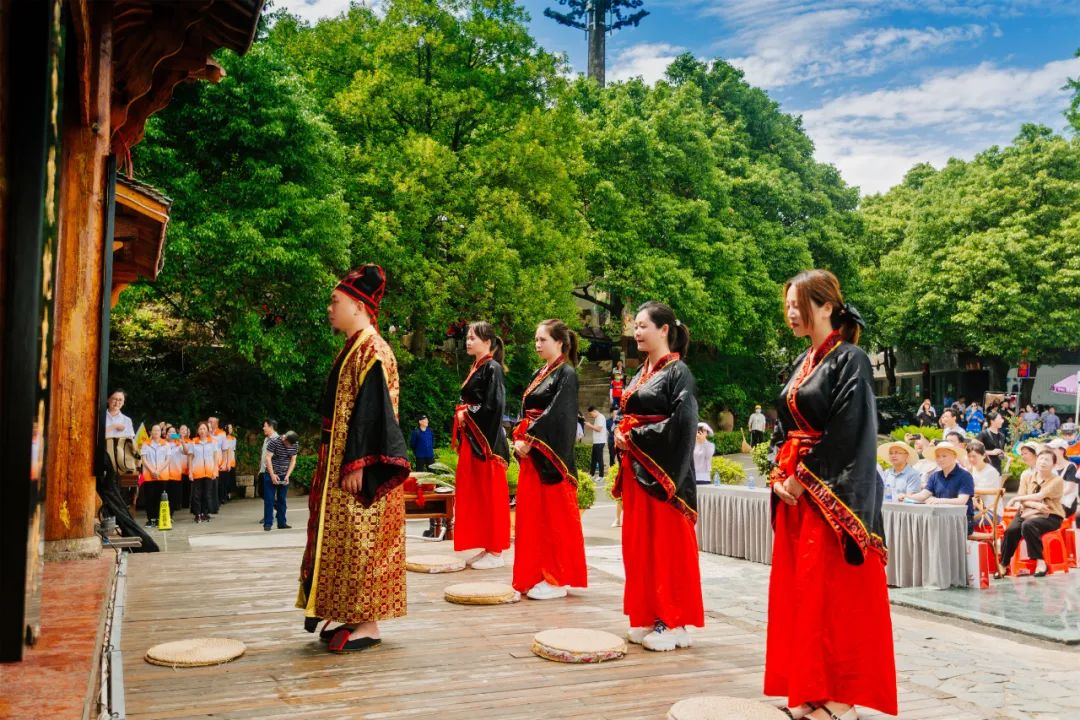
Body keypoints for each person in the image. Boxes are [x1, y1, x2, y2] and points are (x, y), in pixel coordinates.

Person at [766, 269, 895, 720]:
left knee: (834, 598)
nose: (790, 312)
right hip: (798, 493)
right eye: (786, 304)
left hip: (830, 498)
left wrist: (800, 479)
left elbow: (848, 432)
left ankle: (841, 699)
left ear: (825, 306)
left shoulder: (850, 358)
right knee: (805, 596)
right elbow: (787, 430)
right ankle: (809, 689)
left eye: (797, 302)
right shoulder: (806, 361)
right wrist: (778, 474)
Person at [297, 264, 411, 653]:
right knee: (344, 541)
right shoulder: (355, 347)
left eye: (335, 302)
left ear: (359, 306)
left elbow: (373, 410)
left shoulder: (373, 349)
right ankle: (351, 613)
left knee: (363, 541)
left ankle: (369, 623)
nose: (330, 308)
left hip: (359, 466)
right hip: (341, 461)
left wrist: (359, 462)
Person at [612, 301, 703, 653]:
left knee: (667, 546)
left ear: (664, 329)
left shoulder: (679, 372)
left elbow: (683, 424)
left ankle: (675, 620)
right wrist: (624, 434)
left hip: (665, 474)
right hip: (638, 468)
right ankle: (649, 614)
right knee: (640, 547)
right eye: (635, 326)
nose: (637, 332)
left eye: (643, 325)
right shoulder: (642, 372)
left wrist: (634, 436)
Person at [511, 319, 587, 601]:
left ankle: (557, 577)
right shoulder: (539, 372)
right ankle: (536, 573)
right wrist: (522, 436)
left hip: (550, 457)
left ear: (560, 342)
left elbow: (559, 416)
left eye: (543, 339)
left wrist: (529, 439)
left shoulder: (566, 373)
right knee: (533, 518)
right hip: (532, 452)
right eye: (536, 339)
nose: (537, 344)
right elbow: (528, 410)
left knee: (554, 518)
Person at [452, 321, 511, 570]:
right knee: (476, 493)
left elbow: (494, 407)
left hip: (486, 443)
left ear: (487, 342)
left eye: (473, 337)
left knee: (489, 493)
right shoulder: (478, 366)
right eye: (467, 337)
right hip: (474, 439)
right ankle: (487, 545)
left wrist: (468, 413)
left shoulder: (492, 368)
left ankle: (496, 550)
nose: (468, 341)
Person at [998, 449, 1065, 577]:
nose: (1043, 462)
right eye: (1041, 458)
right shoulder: (1027, 476)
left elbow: (1039, 495)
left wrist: (1016, 499)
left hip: (1051, 515)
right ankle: (1003, 564)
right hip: (1026, 511)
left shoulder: (1057, 480)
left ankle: (1040, 562)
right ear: (1036, 460)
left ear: (1054, 465)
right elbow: (1024, 497)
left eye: (1047, 460)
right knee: (1012, 530)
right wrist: (1034, 505)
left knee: (1028, 525)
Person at [899, 442, 975, 531]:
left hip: (961, 520)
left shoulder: (965, 476)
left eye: (944, 456)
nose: (940, 459)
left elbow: (962, 501)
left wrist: (938, 501)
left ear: (954, 456)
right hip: (940, 517)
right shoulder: (935, 476)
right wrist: (907, 496)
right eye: (938, 456)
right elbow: (923, 495)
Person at [264, 431, 298, 531]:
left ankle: (282, 523)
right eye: (287, 443)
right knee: (269, 500)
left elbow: (293, 460)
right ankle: (268, 523)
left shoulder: (294, 444)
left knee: (282, 499)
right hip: (270, 474)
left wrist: (288, 475)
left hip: (284, 474)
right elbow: (268, 458)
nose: (288, 446)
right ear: (284, 438)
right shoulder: (274, 442)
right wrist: (272, 475)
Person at [187, 421, 221, 523]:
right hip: (197, 472)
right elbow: (190, 458)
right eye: (200, 429)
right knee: (196, 495)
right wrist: (190, 472)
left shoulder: (213, 442)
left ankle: (204, 513)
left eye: (204, 429)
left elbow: (215, 457)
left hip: (209, 472)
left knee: (207, 494)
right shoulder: (193, 442)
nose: (202, 431)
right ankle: (197, 514)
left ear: (207, 430)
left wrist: (215, 470)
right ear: (198, 430)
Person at [139, 424, 170, 527]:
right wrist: (153, 471)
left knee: (160, 497)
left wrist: (158, 470)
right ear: (150, 432)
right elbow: (144, 459)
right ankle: (150, 519)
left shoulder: (165, 444)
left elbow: (168, 459)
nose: (156, 432)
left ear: (161, 432)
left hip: (162, 475)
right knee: (149, 497)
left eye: (158, 430)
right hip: (149, 475)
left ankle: (159, 518)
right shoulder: (146, 444)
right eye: (154, 430)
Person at [1047, 439, 1078, 517]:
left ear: (1061, 450)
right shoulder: (1050, 465)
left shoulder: (1070, 466)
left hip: (1067, 503)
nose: (1050, 451)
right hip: (1052, 500)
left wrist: (1050, 497)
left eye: (1053, 449)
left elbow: (1069, 489)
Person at [257, 418, 278, 501]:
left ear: (271, 427)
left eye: (265, 426)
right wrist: (260, 469)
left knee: (268, 494)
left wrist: (274, 472)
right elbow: (263, 455)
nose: (263, 428)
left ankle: (279, 508)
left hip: (271, 471)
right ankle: (276, 506)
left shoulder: (276, 439)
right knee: (261, 492)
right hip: (263, 470)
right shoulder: (266, 439)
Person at [585, 406, 608, 479]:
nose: (591, 416)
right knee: (594, 459)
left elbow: (599, 429)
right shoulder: (597, 418)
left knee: (599, 459)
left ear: (594, 411)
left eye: (591, 414)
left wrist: (589, 425)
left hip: (600, 442)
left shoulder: (601, 417)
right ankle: (592, 474)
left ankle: (601, 476)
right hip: (596, 442)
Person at [220, 423, 237, 505]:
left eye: (231, 428)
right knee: (223, 480)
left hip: (231, 461)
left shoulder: (233, 439)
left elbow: (231, 450)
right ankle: (223, 495)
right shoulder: (222, 438)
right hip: (223, 461)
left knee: (229, 480)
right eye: (229, 428)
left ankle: (228, 494)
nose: (231, 429)